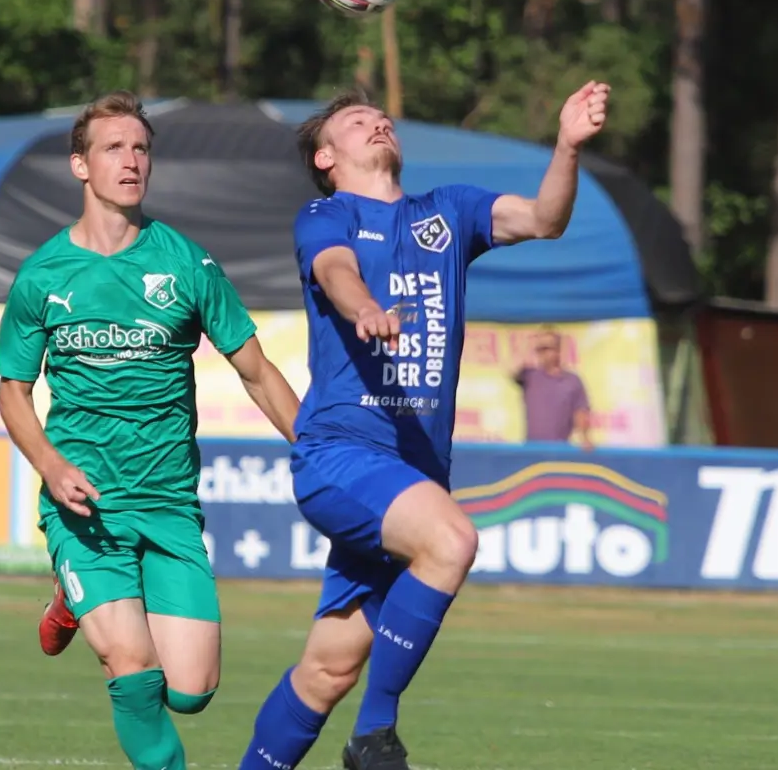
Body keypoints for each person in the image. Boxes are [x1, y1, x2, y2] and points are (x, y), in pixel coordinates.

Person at [238, 81, 612, 770]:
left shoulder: (449, 212)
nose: (378, 121)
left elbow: (544, 219)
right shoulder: (325, 215)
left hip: (408, 475)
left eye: (381, 116)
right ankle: (373, 736)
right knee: (452, 539)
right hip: (340, 454)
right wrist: (362, 308)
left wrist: (565, 145)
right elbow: (335, 268)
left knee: (326, 671)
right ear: (326, 156)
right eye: (356, 121)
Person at [0, 91, 302, 770]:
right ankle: (80, 586)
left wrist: (315, 449)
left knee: (190, 692)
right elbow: (12, 393)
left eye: (141, 148)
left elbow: (256, 371)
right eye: (113, 148)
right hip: (85, 506)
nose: (132, 161)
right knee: (131, 665)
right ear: (80, 165)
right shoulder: (42, 274)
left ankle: (68, 603)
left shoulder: (187, 264)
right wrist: (48, 464)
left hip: (168, 505)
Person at [510, 326, 592, 448]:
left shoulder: (572, 380)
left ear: (558, 351)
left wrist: (585, 438)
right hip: (531, 449)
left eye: (546, 348)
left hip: (560, 450)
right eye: (539, 349)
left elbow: (580, 412)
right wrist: (529, 347)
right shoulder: (530, 376)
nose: (541, 353)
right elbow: (511, 369)